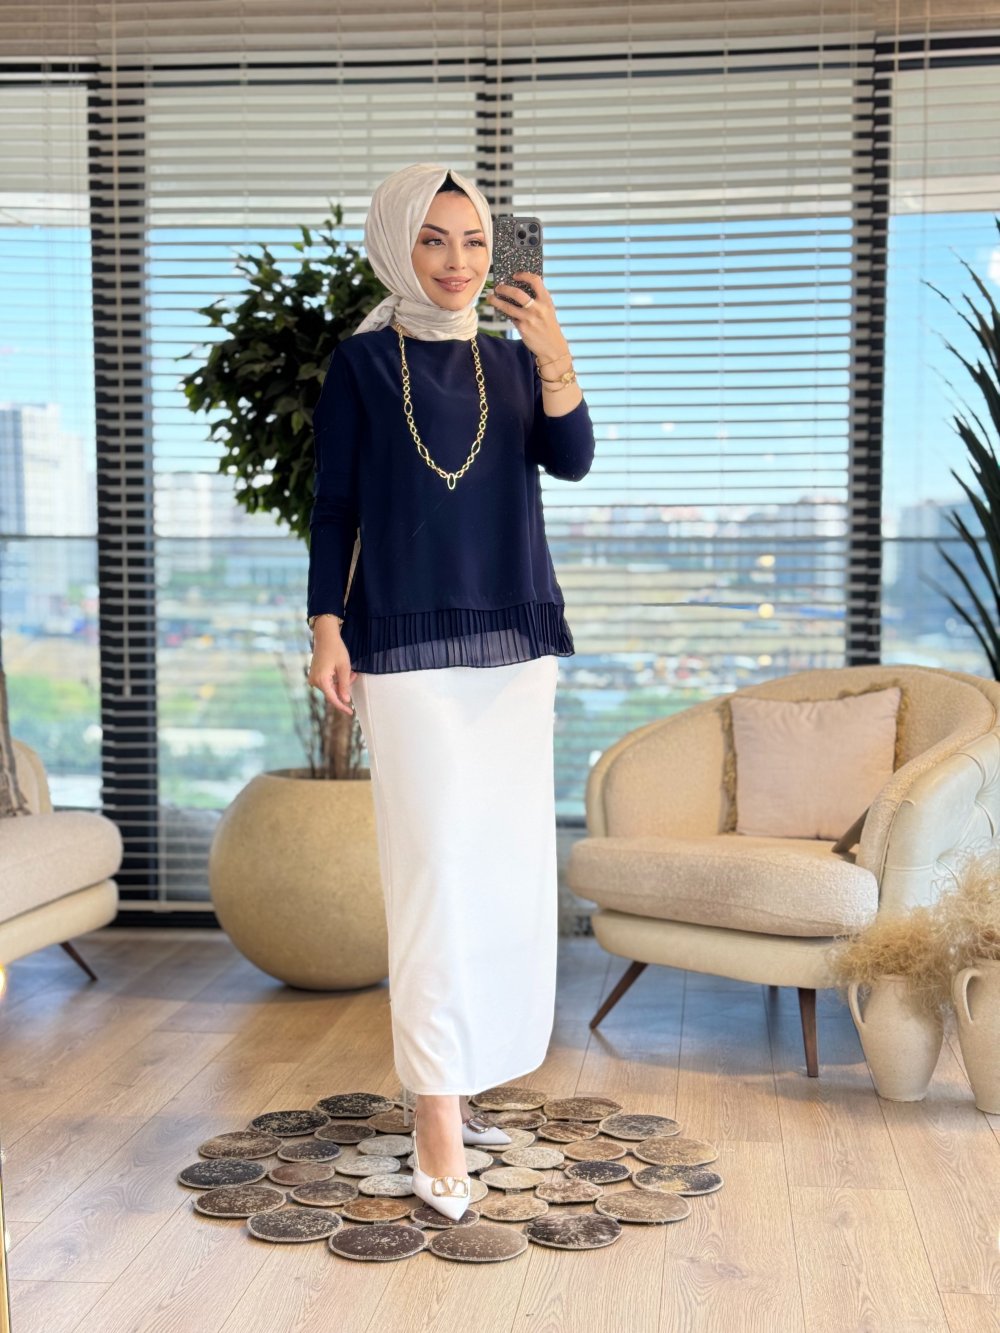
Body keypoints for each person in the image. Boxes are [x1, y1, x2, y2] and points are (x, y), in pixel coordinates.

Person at [305, 163, 595, 1219]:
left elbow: (572, 459)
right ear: (397, 245)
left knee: (504, 871)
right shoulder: (359, 363)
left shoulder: (513, 360)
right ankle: (432, 1108)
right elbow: (334, 505)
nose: (459, 260)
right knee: (432, 868)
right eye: (433, 238)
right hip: (403, 644)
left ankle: (464, 1078)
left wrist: (553, 351)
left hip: (515, 646)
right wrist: (325, 627)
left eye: (475, 240)